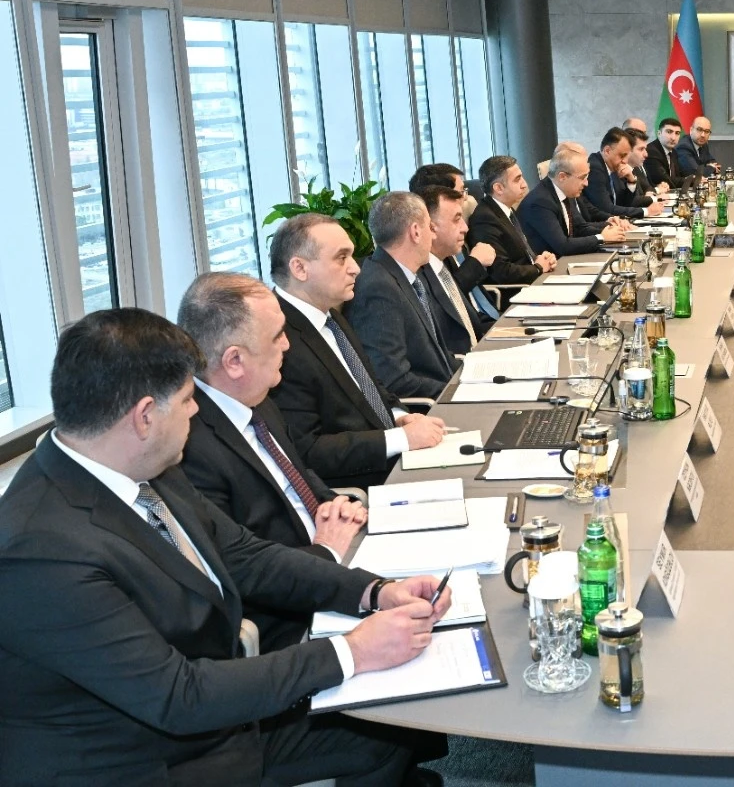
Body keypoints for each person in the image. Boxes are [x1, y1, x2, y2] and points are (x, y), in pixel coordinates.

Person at [0, 307, 452, 786]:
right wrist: (353, 651)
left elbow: (244, 555)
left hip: (208, 705)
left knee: (386, 729)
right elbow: (177, 696)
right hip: (147, 760)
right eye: (187, 399)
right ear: (145, 417)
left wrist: (374, 591)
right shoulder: (40, 553)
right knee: (374, 723)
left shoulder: (143, 468)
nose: (197, 410)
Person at [177, 272, 365, 652]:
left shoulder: (258, 397)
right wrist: (326, 553)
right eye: (277, 335)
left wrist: (336, 505)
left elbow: (296, 473)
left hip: (339, 554)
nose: (288, 344)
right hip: (296, 616)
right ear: (234, 361)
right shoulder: (188, 446)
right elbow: (242, 572)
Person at [268, 214, 446, 490]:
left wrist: (398, 416)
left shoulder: (330, 316)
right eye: (341, 258)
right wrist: (400, 439)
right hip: (364, 487)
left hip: (393, 461)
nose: (355, 269)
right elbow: (307, 450)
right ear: (300, 268)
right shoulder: (277, 341)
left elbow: (370, 387)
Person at [347, 192, 456, 401]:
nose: (433, 236)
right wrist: (455, 392)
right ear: (416, 232)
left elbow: (438, 356)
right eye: (430, 227)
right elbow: (394, 380)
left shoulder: (408, 275)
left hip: (444, 389)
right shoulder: (378, 289)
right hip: (428, 407)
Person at [416, 184, 495, 354]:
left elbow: (471, 320)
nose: (465, 228)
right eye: (456, 219)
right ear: (431, 228)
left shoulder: (444, 260)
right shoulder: (418, 278)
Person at [519, 145, 630, 256]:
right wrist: (601, 237)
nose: (586, 183)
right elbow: (563, 246)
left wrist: (610, 228)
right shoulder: (540, 202)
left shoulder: (565, 191)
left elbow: (580, 228)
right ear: (562, 177)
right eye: (582, 177)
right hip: (552, 263)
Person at [467, 154, 558, 288]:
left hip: (531, 281)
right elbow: (501, 272)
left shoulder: (506, 209)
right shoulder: (485, 219)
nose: (524, 185)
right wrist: (538, 268)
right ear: (498, 188)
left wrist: (542, 259)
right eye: (517, 180)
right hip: (517, 291)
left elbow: (522, 253)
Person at [586, 127, 664, 220]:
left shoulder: (612, 166)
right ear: (607, 151)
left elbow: (625, 204)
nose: (625, 161)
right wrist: (646, 211)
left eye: (626, 156)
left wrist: (631, 181)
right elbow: (607, 209)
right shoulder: (595, 168)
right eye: (622, 156)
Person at [646, 117, 687, 188]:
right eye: (669, 132)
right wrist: (689, 180)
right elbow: (663, 180)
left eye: (677, 133)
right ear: (659, 133)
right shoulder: (651, 151)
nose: (673, 138)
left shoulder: (673, 152)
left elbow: (679, 175)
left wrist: (693, 178)